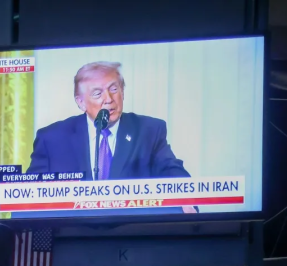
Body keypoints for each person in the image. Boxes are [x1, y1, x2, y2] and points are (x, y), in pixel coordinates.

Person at [27, 62, 193, 189]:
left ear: (123, 92)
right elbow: (30, 193)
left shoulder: (148, 131)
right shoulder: (52, 139)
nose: (108, 99)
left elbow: (174, 173)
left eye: (114, 89)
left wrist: (185, 200)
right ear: (81, 102)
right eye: (97, 93)